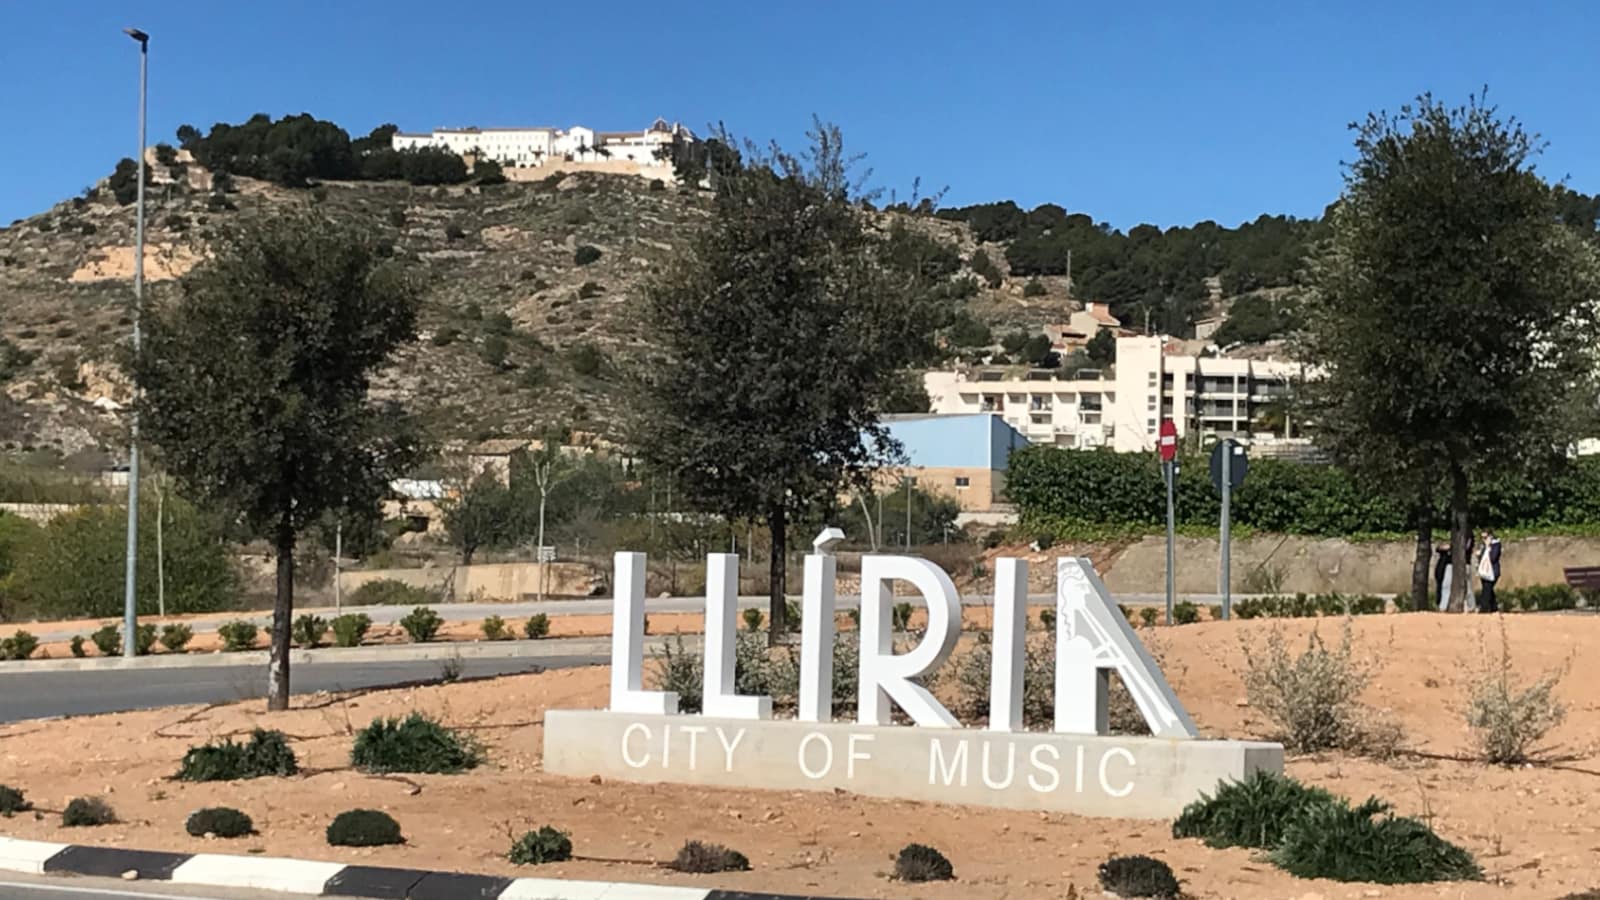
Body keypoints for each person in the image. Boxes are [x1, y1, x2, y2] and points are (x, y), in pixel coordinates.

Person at [1477, 530, 1503, 613]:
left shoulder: (1496, 545)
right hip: (1484, 571)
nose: (1483, 540)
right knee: (1488, 589)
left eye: (1485, 537)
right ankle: (1494, 607)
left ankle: (1484, 608)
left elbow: (1493, 558)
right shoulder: (1483, 545)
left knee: (1487, 589)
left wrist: (1488, 547)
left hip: (1492, 571)